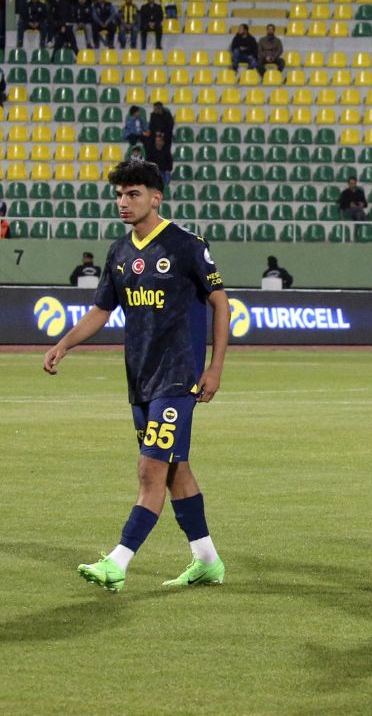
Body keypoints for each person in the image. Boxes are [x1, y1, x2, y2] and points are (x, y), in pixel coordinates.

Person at [43, 159, 231, 594]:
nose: (123, 203)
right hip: (141, 379)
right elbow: (101, 311)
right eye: (119, 195)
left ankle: (118, 561)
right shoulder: (119, 252)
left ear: (155, 197)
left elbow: (221, 304)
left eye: (133, 194)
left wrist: (215, 368)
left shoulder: (186, 246)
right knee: (173, 470)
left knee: (150, 470)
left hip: (177, 377)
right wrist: (64, 343)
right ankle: (206, 560)